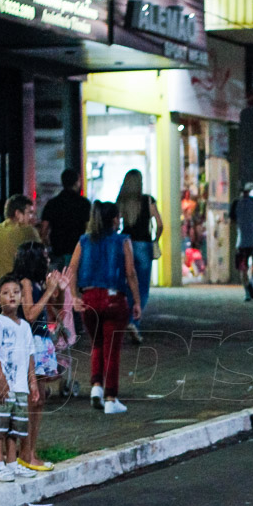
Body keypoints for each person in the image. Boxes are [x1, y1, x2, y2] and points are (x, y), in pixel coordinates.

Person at [69, 200, 141, 414]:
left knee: (97, 344)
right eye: (118, 217)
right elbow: (130, 274)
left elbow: (72, 269)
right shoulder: (123, 241)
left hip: (89, 297)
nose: (120, 220)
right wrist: (136, 301)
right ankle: (111, 397)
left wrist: (74, 296)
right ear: (113, 220)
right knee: (112, 349)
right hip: (114, 299)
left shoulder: (83, 241)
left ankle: (96, 387)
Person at [14, 241, 68, 471]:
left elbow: (54, 310)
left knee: (41, 398)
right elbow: (29, 314)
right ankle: (25, 452)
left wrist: (60, 289)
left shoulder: (38, 282)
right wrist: (47, 290)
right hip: (30, 343)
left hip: (43, 342)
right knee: (32, 399)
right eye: (44, 255)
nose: (48, 259)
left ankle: (31, 451)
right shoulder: (25, 283)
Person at [0, 274, 39, 482]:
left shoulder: (25, 327)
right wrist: (0, 380)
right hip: (3, 385)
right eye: (6, 293)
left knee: (16, 426)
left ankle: (12, 462)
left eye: (16, 293)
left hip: (20, 386)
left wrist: (32, 381)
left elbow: (30, 355)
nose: (12, 297)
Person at [0, 194, 40, 324]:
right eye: (30, 213)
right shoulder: (28, 232)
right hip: (15, 299)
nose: (33, 218)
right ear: (18, 214)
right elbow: (40, 259)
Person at [118, 169, 162, 341]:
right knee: (142, 288)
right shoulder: (148, 200)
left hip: (126, 244)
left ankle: (129, 320)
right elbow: (160, 224)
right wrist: (155, 240)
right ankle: (133, 322)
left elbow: (115, 224)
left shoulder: (121, 201)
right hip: (144, 245)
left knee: (129, 285)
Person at [41, 168, 91, 272]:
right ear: (77, 182)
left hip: (58, 250)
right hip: (78, 250)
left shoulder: (52, 203)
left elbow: (44, 229)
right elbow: (89, 228)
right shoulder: (84, 203)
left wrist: (48, 244)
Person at [230, 183, 253, 301]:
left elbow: (232, 221)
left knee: (242, 268)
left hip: (241, 241)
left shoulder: (236, 204)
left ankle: (247, 289)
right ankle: (251, 282)